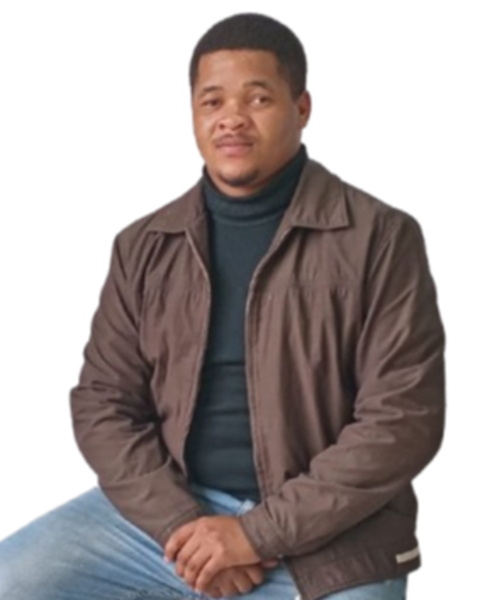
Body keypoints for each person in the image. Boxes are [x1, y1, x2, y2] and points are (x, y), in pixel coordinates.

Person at [0, 12, 445, 600]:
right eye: (212, 102)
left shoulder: (380, 237)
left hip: (332, 535)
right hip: (167, 518)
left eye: (258, 98)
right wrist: (183, 526)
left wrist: (254, 535)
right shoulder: (145, 245)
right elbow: (103, 403)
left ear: (302, 107)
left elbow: (403, 419)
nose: (231, 118)